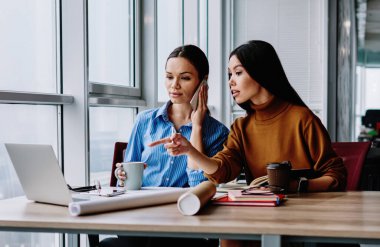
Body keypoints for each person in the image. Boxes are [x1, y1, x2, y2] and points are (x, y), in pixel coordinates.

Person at [149, 40, 347, 247]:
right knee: (229, 231)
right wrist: (190, 150)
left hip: (306, 218)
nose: (231, 82)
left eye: (238, 72)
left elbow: (336, 176)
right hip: (264, 216)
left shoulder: (302, 118)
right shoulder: (241, 128)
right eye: (229, 75)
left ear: (260, 73)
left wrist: (297, 185)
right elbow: (222, 170)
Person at [99, 44, 229, 247]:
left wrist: (197, 127)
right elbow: (128, 176)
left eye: (184, 78)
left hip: (186, 221)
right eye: (169, 77)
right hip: (142, 217)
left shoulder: (217, 133)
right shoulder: (144, 121)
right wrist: (122, 175)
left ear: (203, 82)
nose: (174, 85)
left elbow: (199, 187)